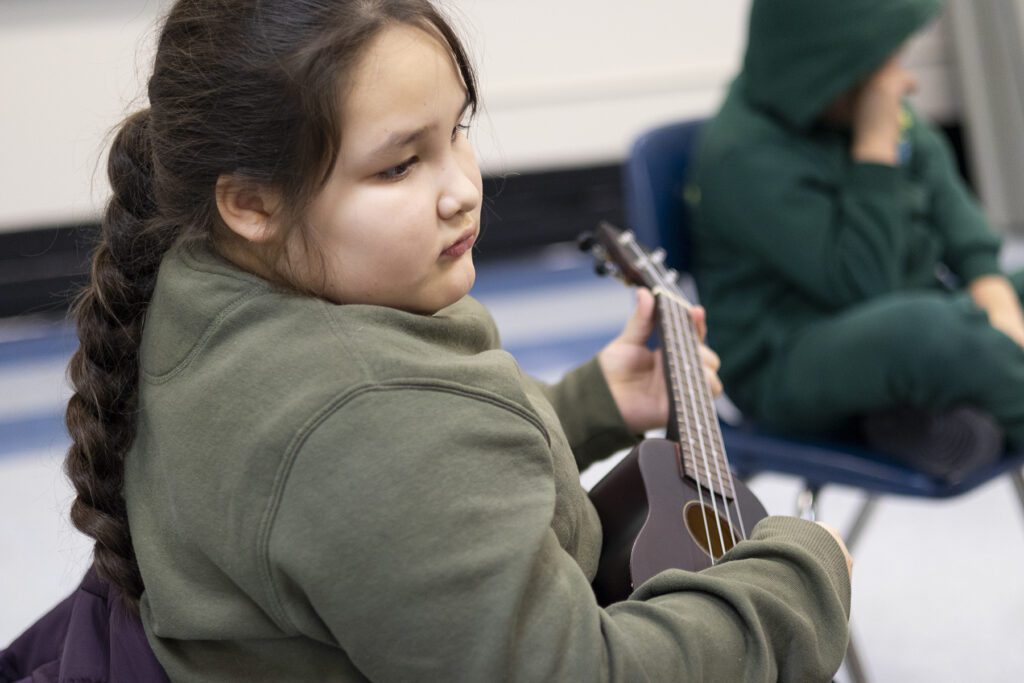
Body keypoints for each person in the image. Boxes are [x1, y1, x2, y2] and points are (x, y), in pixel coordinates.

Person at [44, 1, 851, 680]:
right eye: (400, 166)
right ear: (250, 202)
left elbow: (401, 498)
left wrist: (591, 400)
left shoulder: (204, 277)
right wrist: (801, 574)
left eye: (456, 130)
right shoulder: (365, 418)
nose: (464, 189)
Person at [691, 0, 1023, 478]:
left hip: (891, 323)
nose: (901, 81)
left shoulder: (855, 100)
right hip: (787, 362)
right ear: (830, 68)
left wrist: (992, 289)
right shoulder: (741, 156)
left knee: (954, 324)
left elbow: (944, 194)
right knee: (927, 334)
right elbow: (865, 284)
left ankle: (917, 414)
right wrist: (874, 150)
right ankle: (946, 396)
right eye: (883, 63)